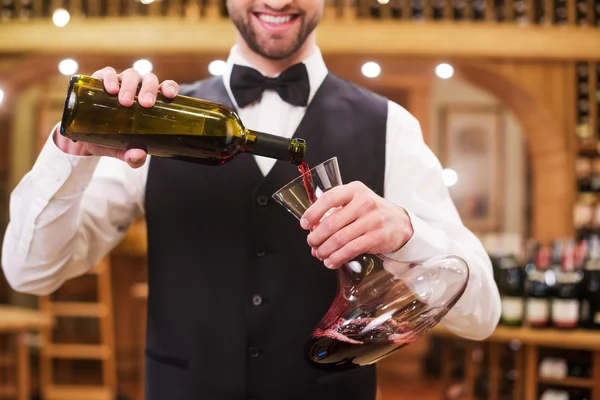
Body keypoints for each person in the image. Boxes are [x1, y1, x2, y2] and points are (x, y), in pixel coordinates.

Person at [1, 0, 501, 397]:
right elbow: (30, 272)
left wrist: (408, 232)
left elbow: (483, 317)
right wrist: (69, 154)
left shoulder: (393, 127)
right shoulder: (153, 120)